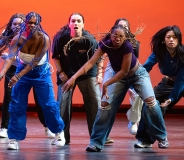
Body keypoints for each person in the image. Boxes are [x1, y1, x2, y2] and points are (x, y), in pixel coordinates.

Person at [62, 24, 169, 152]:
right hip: (118, 77)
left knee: (151, 102)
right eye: (115, 35)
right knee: (105, 105)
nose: (117, 38)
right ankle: (96, 142)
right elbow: (90, 63)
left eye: (121, 36)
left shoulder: (127, 46)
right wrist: (73, 77)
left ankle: (162, 137)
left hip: (137, 75)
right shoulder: (105, 44)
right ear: (110, 35)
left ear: (125, 38)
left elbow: (124, 71)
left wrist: (106, 84)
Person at [0, 12, 65, 150]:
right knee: (17, 104)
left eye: (35, 23)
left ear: (39, 24)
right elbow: (10, 57)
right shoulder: (18, 38)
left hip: (41, 73)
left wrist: (18, 76)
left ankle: (59, 132)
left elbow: (34, 62)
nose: (32, 25)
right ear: (26, 23)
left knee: (48, 105)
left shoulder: (44, 39)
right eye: (30, 22)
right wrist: (0, 75)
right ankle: (14, 138)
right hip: (22, 71)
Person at [52, 13, 101, 145]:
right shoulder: (60, 38)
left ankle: (96, 137)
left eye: (79, 21)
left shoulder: (90, 40)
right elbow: (55, 56)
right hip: (66, 74)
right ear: (69, 24)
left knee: (95, 102)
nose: (76, 23)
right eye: (73, 21)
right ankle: (62, 136)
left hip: (87, 73)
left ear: (83, 24)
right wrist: (61, 72)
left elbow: (97, 59)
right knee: (63, 103)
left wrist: (100, 74)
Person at [135, 25, 184, 148]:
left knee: (165, 103)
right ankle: (145, 139)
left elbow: (181, 80)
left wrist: (172, 98)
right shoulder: (159, 52)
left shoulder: (183, 54)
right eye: (168, 37)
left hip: (181, 83)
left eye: (174, 37)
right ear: (164, 39)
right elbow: (146, 68)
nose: (171, 40)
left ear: (179, 39)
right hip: (168, 83)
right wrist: (136, 84)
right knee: (149, 104)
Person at [101, 18, 144, 144]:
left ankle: (134, 120)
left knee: (138, 95)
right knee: (106, 99)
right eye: (119, 26)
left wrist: (130, 88)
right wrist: (99, 74)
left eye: (125, 27)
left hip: (129, 69)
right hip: (113, 67)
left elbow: (130, 66)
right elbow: (99, 56)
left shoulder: (134, 44)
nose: (122, 29)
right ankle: (103, 134)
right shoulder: (108, 41)